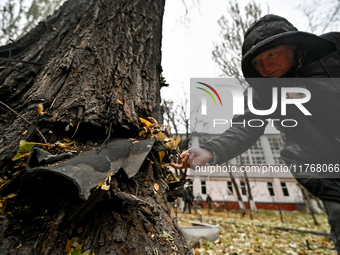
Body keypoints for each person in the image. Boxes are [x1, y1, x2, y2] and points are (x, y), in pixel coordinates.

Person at [171, 14, 340, 254]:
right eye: (258, 62)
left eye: (271, 55)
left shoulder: (333, 51)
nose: (266, 68)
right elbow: (246, 126)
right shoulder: (264, 93)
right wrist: (210, 150)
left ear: (293, 44)